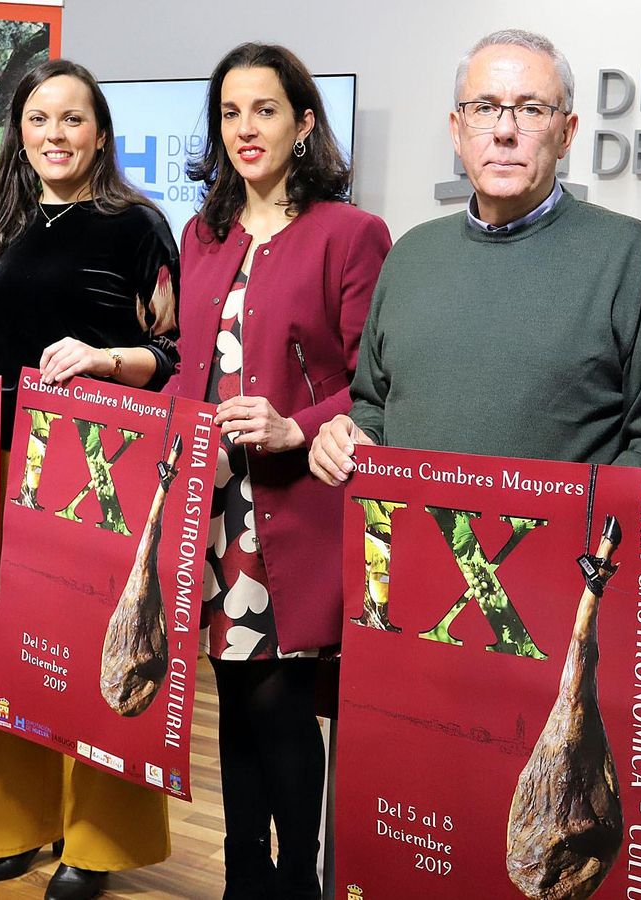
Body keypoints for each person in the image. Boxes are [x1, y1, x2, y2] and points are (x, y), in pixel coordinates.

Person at [0, 59, 179, 900]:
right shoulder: (7, 220)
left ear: (101, 133)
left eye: (72, 120)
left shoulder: (137, 226)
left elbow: (173, 355)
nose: (54, 135)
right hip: (3, 461)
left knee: (90, 645)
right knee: (6, 645)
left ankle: (96, 844)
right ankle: (14, 824)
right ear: (21, 132)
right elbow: (19, 331)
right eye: (39, 120)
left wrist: (106, 357)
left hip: (98, 467)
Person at [167, 43, 390, 899]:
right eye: (230, 112)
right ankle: (241, 878)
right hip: (210, 508)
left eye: (265, 110)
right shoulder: (203, 232)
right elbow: (192, 364)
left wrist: (296, 427)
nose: (245, 129)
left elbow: (377, 383)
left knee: (282, 705)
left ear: (304, 123)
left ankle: (294, 881)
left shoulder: (352, 233)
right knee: (233, 697)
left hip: (291, 512)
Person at [308, 28, 641, 484]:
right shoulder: (410, 255)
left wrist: (583, 533)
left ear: (566, 134)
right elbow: (373, 405)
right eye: (484, 108)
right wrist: (350, 437)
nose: (504, 131)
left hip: (561, 555)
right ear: (457, 130)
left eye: (531, 110)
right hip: (406, 551)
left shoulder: (629, 256)